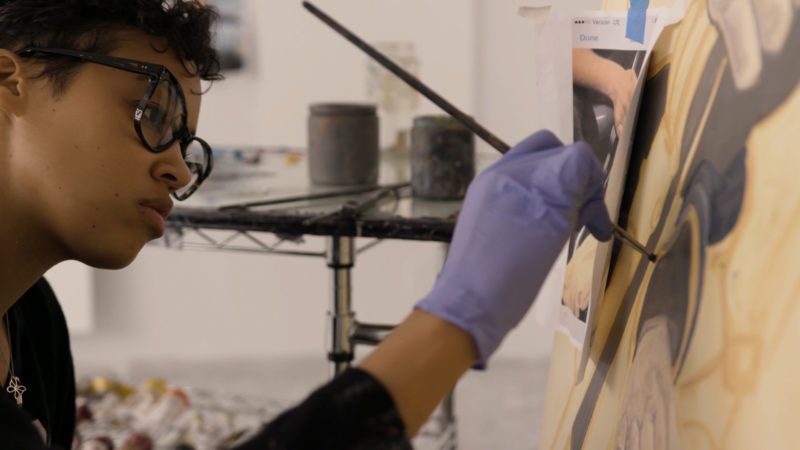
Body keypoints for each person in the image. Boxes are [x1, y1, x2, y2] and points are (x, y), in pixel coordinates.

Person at [0, 1, 613, 449]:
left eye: (186, 142)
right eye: (151, 113)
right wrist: (459, 316)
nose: (177, 173)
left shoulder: (33, 319)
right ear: (10, 80)